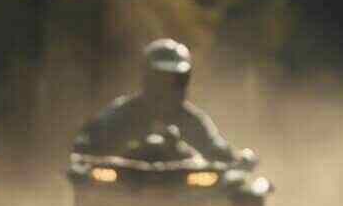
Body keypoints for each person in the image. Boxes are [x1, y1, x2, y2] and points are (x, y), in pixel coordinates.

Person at [73, 38, 233, 160]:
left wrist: (227, 155)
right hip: (123, 185)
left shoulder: (193, 121)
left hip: (181, 189)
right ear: (147, 77)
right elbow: (89, 140)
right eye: (160, 79)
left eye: (176, 79)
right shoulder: (121, 114)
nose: (168, 87)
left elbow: (215, 148)